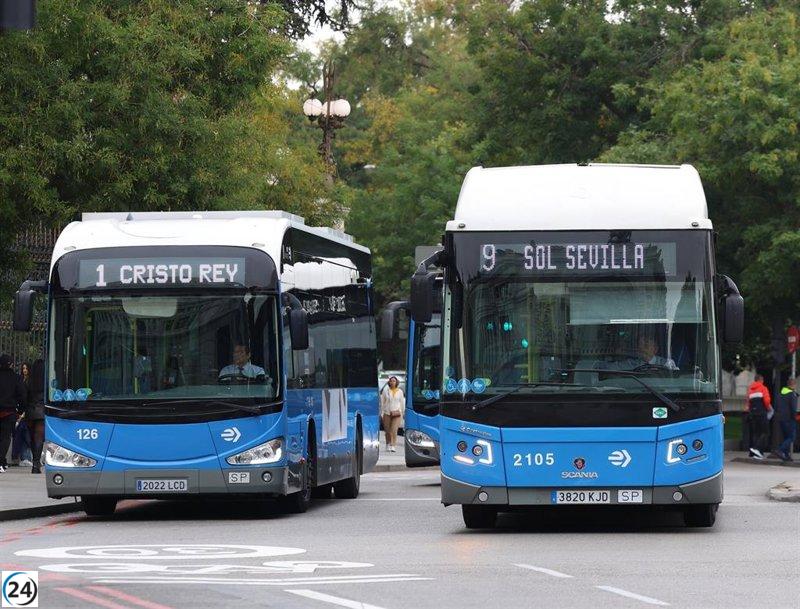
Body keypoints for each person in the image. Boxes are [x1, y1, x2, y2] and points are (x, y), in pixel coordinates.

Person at [0, 354, 27, 473]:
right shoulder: (16, 378)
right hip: (9, 412)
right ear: (11, 364)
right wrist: (20, 410)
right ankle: (1, 461)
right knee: (5, 437)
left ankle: (2, 461)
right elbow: (22, 396)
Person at [24, 360, 46, 473]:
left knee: (32, 438)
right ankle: (36, 464)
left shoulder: (29, 381)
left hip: (30, 412)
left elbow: (24, 397)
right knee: (39, 438)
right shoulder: (46, 381)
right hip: (41, 411)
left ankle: (35, 462)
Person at [746, 373, 772, 459]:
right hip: (762, 413)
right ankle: (757, 449)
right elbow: (767, 401)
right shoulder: (763, 388)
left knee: (756, 433)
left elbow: (748, 403)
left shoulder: (750, 389)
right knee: (765, 432)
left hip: (753, 414)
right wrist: (768, 408)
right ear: (761, 380)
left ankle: (756, 453)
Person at [774, 378, 798, 462]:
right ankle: (780, 450)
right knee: (791, 437)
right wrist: (795, 417)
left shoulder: (780, 394)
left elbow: (776, 406)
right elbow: (793, 408)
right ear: (793, 385)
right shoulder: (792, 394)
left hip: (781, 418)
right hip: (789, 418)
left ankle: (786, 456)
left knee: (786, 437)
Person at [380, 376, 404, 452]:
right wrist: (382, 413)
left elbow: (402, 403)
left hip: (396, 413)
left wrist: (402, 413)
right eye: (391, 381)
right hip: (387, 413)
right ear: (389, 382)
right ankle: (387, 443)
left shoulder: (400, 391)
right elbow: (382, 402)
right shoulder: (385, 391)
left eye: (394, 381)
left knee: (394, 430)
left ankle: (393, 445)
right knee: (387, 431)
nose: (392, 382)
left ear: (396, 382)